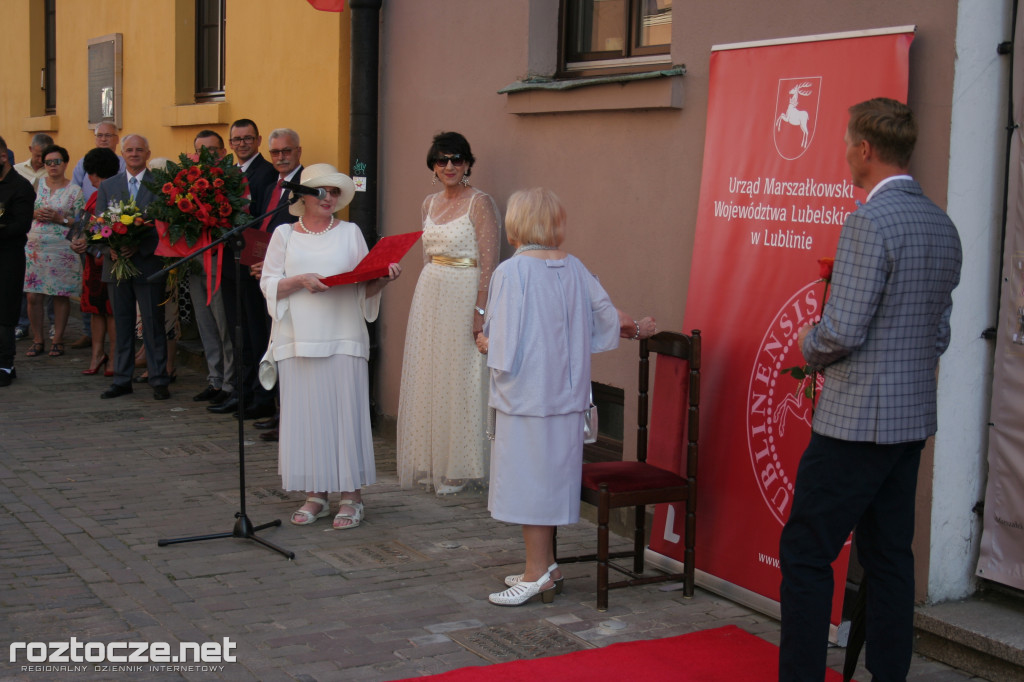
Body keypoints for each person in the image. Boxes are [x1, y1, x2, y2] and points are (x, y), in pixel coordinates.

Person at [778, 98, 963, 681]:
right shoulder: (942, 223)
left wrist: (808, 340)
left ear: (864, 149)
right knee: (889, 561)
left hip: (856, 423)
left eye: (844, 141)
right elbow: (939, 332)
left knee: (806, 553)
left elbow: (842, 331)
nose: (842, 151)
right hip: (910, 422)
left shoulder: (868, 221)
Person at [476, 188, 656, 606]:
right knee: (548, 481)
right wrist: (638, 329)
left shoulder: (511, 272)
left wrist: (485, 342)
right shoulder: (575, 267)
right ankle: (545, 566)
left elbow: (500, 344)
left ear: (517, 224)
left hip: (527, 397)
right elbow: (609, 318)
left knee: (530, 485)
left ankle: (538, 574)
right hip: (568, 398)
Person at [258, 163, 401, 529]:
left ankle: (352, 497)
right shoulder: (284, 235)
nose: (330, 197)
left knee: (344, 415)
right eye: (322, 190)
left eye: (336, 192)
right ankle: (316, 493)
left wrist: (383, 279)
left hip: (343, 335)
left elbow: (362, 287)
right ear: (303, 195)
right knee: (307, 417)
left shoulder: (351, 232)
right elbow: (269, 283)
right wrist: (301, 280)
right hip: (297, 338)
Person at [396, 131, 502, 495]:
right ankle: (434, 458)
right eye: (442, 160)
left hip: (465, 290)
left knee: (463, 377)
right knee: (432, 374)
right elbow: (427, 255)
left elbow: (489, 265)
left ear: (468, 164)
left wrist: (480, 313)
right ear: (433, 166)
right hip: (431, 293)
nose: (450, 166)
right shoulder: (428, 204)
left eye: (457, 159)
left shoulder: (480, 203)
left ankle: (462, 464)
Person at [210, 127, 302, 421]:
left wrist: (277, 265)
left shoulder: (305, 185)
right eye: (276, 153)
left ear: (298, 151)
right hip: (260, 274)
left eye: (286, 151)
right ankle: (263, 400)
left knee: (280, 344)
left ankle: (282, 411)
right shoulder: (271, 185)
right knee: (259, 339)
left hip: (288, 280)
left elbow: (307, 237)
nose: (281, 157)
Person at [95, 134, 170, 401]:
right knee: (122, 324)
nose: (135, 154)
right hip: (117, 266)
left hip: (148, 263)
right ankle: (121, 379)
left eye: (140, 150)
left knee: (152, 323)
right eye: (129, 150)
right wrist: (110, 248)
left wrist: (140, 247)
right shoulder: (108, 186)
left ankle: (159, 377)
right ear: (122, 154)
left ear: (148, 153)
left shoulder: (160, 185)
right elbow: (98, 226)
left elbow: (165, 226)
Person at [186, 131, 234, 404]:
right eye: (201, 152)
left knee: (223, 323)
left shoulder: (231, 181)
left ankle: (229, 382)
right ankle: (214, 379)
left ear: (223, 152)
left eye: (213, 151)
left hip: (219, 259)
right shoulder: (186, 183)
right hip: (194, 259)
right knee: (205, 324)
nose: (207, 157)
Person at [23, 144, 84, 359]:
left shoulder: (75, 190)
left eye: (57, 162)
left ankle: (57, 339)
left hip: (62, 249)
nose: (52, 166)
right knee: (33, 296)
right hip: (36, 247)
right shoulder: (36, 185)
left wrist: (60, 219)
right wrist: (34, 213)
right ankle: (38, 339)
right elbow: (22, 211)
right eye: (48, 162)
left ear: (65, 163)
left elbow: (81, 223)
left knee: (60, 295)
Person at [69, 148, 120, 376]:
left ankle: (110, 356)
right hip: (93, 260)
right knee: (98, 310)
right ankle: (100, 355)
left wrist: (81, 240)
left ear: (91, 173)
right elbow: (80, 228)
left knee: (108, 311)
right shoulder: (93, 196)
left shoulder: (112, 193)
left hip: (107, 260)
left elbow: (106, 229)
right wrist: (79, 241)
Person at [0, 135, 37, 387]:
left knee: (5, 310)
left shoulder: (20, 186)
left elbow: (20, 225)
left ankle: (5, 363)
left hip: (8, 257)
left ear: (3, 157)